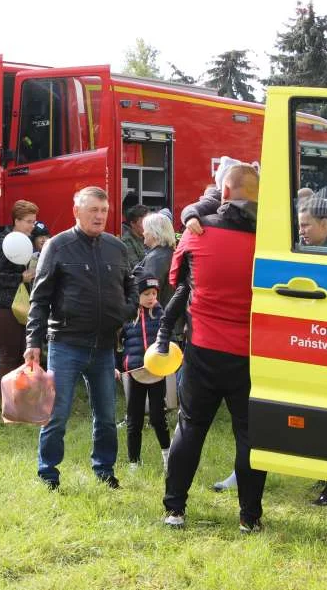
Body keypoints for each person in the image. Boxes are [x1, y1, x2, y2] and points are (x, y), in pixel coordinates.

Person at [160, 165, 267, 533]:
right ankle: (249, 518)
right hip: (250, 354)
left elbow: (175, 281)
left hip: (203, 347)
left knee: (190, 428)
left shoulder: (196, 233)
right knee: (250, 436)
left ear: (224, 191)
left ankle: (174, 509)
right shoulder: (267, 241)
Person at [24, 186, 137, 491]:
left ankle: (105, 470)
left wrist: (127, 310)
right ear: (77, 212)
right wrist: (33, 341)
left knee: (106, 416)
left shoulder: (117, 247)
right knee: (57, 414)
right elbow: (40, 297)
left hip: (104, 347)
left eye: (104, 210)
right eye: (93, 211)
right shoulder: (58, 246)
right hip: (66, 344)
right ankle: (48, 473)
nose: (100, 216)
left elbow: (131, 283)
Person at [0, 200, 38, 389]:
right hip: (1, 307)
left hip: (19, 305)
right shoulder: (1, 243)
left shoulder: (25, 242)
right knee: (8, 356)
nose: (33, 225)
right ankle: (7, 404)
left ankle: (20, 401)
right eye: (29, 221)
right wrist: (20, 278)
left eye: (34, 221)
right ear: (17, 221)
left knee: (23, 352)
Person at [118, 276, 170, 470]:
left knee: (158, 417)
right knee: (134, 419)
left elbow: (169, 340)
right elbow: (117, 342)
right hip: (135, 372)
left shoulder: (161, 314)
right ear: (136, 295)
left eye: (154, 294)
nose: (151, 298)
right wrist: (118, 365)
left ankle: (167, 456)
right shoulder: (128, 317)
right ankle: (134, 463)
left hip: (156, 373)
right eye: (146, 294)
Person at [133, 213, 177, 307]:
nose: (143, 233)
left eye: (146, 230)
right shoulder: (169, 253)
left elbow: (150, 294)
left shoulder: (156, 258)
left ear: (154, 232)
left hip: (158, 317)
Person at [121, 204, 149, 268]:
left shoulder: (147, 238)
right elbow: (136, 266)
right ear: (132, 224)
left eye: (148, 222)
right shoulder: (126, 241)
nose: (147, 226)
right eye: (143, 222)